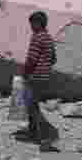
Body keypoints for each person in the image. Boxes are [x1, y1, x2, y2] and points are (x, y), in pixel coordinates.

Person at [17, 11, 58, 151]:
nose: (31, 27)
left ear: (38, 23)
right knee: (32, 104)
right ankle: (33, 132)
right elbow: (53, 59)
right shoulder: (48, 38)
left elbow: (31, 59)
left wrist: (24, 72)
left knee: (31, 106)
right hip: (44, 77)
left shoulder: (37, 37)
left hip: (34, 76)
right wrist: (45, 67)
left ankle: (47, 136)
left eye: (32, 23)